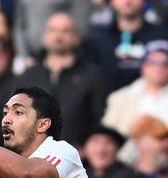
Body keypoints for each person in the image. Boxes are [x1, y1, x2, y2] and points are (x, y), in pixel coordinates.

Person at [17, 12, 107, 147]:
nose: (58, 35)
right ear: (44, 37)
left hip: (77, 158)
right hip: (32, 157)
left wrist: (88, 149)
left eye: (66, 31)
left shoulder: (92, 75)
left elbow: (100, 120)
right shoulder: (29, 76)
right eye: (52, 30)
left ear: (77, 38)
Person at [102, 41, 168, 162]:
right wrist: (132, 129)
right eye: (153, 62)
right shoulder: (120, 98)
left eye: (165, 63)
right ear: (143, 66)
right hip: (126, 162)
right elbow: (108, 134)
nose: (158, 68)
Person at [89, 0, 168, 92]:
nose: (127, 1)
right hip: (107, 102)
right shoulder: (97, 37)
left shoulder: (162, 36)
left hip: (153, 101)